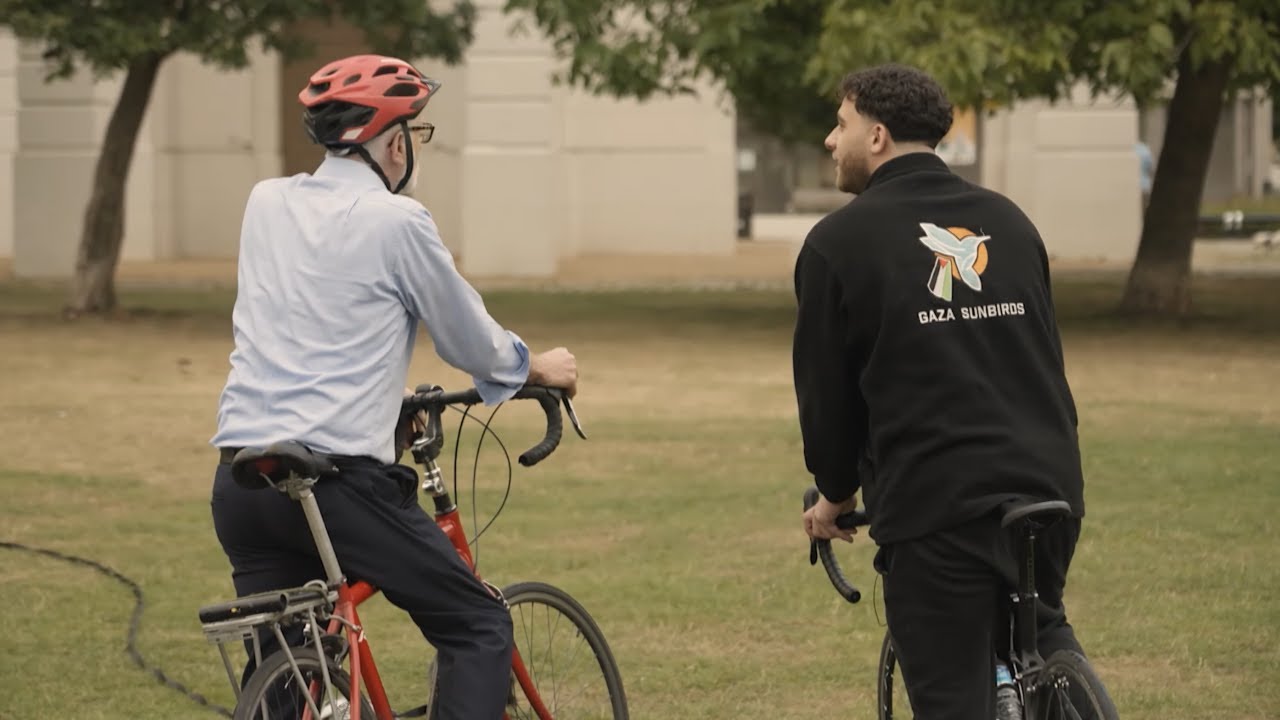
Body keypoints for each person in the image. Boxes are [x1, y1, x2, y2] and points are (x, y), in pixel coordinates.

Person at [208, 53, 578, 720]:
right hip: (337, 484)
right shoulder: (398, 222)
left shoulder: (265, 203)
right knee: (478, 626)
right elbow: (471, 342)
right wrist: (533, 367)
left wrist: (381, 408)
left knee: (284, 668)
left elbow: (309, 320)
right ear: (394, 141)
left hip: (242, 477)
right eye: (413, 133)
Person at [793, 63, 1096, 719]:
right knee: (1041, 633)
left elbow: (829, 407)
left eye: (840, 124)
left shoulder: (836, 244)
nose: (829, 140)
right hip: (1047, 487)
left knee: (952, 694)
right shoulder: (1009, 222)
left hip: (939, 507)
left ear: (876, 137)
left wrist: (836, 495)